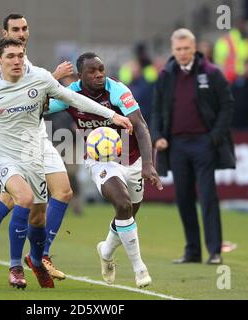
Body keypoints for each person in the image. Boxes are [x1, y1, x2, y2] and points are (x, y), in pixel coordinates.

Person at [0, 38, 132, 289]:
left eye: (20, 55)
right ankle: (15, 267)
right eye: (10, 56)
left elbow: (72, 98)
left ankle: (36, 258)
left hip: (35, 154)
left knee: (38, 217)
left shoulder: (39, 78)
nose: (16, 60)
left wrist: (112, 115)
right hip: (4, 156)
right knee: (22, 198)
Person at [0, 13, 76, 284]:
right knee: (17, 199)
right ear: (4, 34)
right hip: (14, 146)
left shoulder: (27, 63)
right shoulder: (7, 65)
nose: (21, 33)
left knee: (61, 192)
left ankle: (38, 256)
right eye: (15, 29)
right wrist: (54, 82)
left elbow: (41, 103)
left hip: (37, 141)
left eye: (24, 28)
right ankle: (4, 261)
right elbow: (38, 101)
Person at [48, 52, 163, 288]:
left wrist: (148, 164)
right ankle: (139, 269)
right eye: (92, 71)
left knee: (128, 212)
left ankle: (106, 250)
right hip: (100, 160)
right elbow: (37, 105)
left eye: (101, 69)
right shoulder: (70, 94)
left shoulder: (118, 90)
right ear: (80, 76)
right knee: (122, 204)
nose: (99, 74)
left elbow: (140, 126)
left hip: (132, 159)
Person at [151, 28, 236, 265]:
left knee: (208, 197)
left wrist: (215, 136)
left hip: (204, 143)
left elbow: (227, 105)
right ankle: (192, 251)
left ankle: (215, 251)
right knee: (183, 198)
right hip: (176, 145)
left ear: (195, 48)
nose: (182, 53)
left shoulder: (211, 73)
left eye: (186, 48)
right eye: (178, 49)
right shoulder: (165, 75)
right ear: (172, 50)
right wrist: (157, 135)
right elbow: (157, 109)